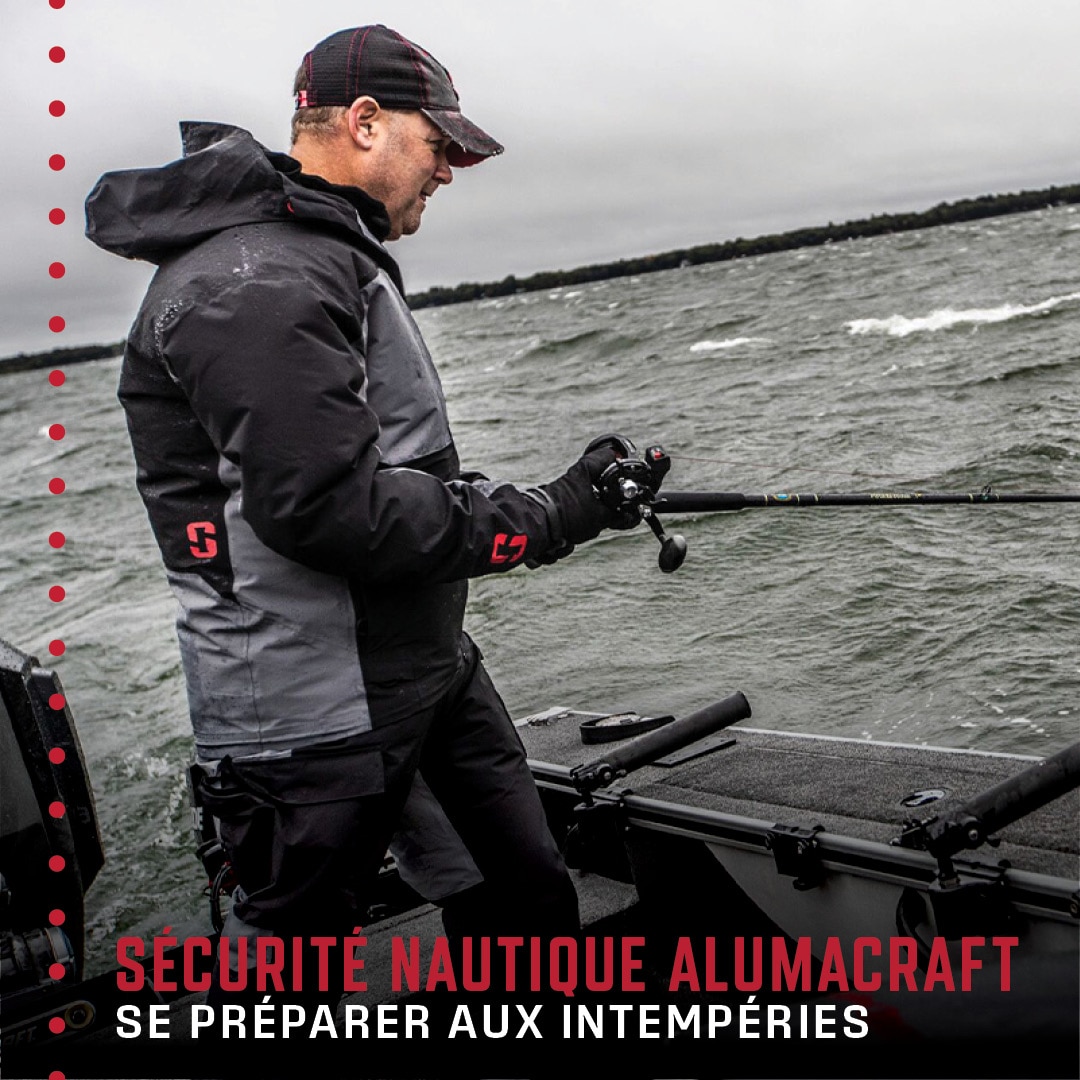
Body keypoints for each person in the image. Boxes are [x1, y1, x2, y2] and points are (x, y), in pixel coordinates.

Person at [85, 24, 638, 1001]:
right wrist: (552, 512)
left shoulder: (313, 256)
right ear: (367, 122)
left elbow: (385, 473)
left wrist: (570, 501)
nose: (450, 171)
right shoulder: (255, 279)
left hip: (419, 672)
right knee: (292, 986)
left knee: (526, 908)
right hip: (307, 712)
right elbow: (331, 512)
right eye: (441, 145)